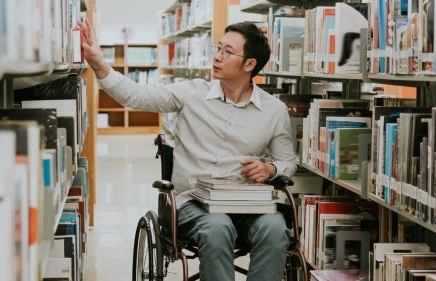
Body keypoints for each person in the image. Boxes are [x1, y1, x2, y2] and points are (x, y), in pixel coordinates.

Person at [79, 19, 298, 281]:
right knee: (217, 228)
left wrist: (271, 168)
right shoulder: (191, 93)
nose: (216, 56)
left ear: (249, 64)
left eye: (227, 52)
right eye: (218, 48)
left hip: (245, 204)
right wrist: (98, 62)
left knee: (275, 229)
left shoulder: (274, 111)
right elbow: (135, 95)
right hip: (193, 202)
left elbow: (286, 161)